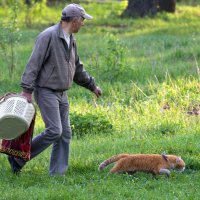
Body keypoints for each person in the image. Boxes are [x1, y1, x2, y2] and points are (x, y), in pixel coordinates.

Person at [8, 3, 102, 176]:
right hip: (46, 91)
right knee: (54, 131)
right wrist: (26, 90)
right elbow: (33, 64)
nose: (83, 23)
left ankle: (57, 174)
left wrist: (92, 85)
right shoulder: (48, 36)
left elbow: (77, 68)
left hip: (62, 93)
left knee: (65, 134)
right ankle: (18, 158)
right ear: (74, 20)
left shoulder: (71, 40)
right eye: (82, 20)